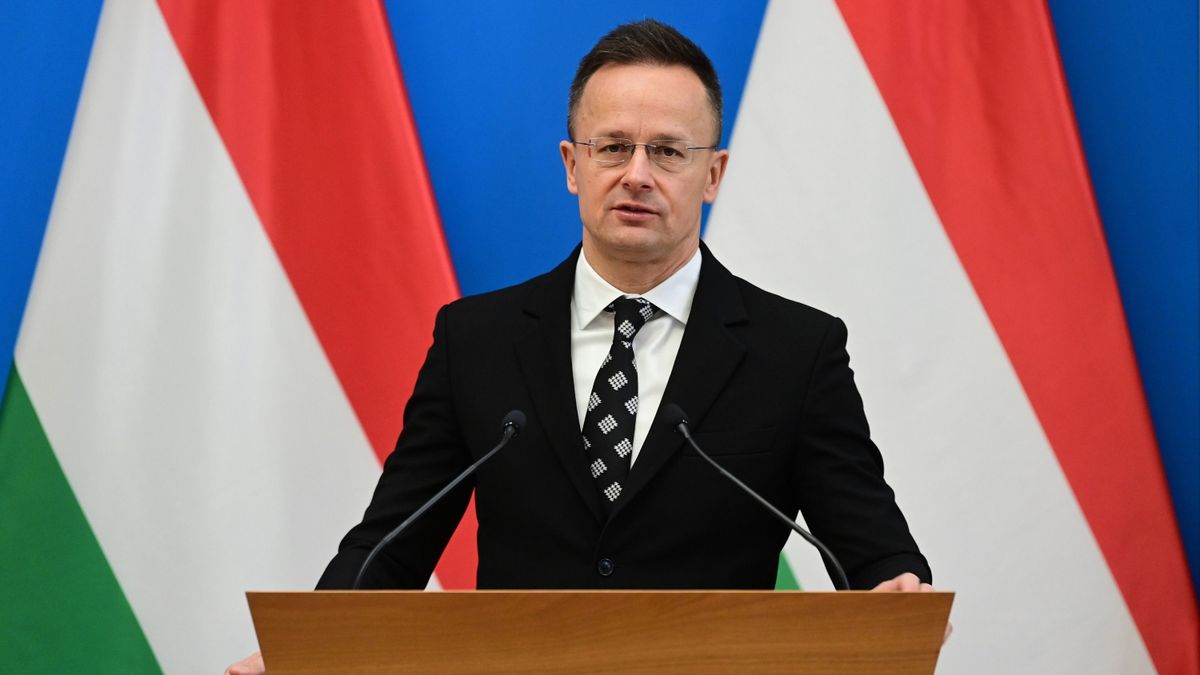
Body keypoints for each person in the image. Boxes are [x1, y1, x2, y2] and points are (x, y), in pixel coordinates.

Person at [226, 18, 935, 674]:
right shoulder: (477, 340)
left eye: (667, 151)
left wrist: (894, 586)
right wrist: (304, 651)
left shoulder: (796, 351)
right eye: (614, 147)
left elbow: (871, 549)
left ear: (713, 175)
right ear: (572, 165)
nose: (637, 174)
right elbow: (391, 543)